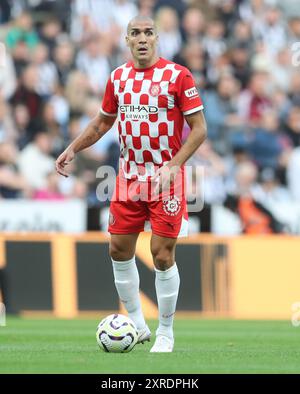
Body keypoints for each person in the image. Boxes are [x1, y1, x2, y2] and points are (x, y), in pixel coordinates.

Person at [56, 15, 207, 352]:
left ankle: (165, 331)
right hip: (127, 178)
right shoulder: (118, 78)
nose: (142, 38)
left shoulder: (178, 76)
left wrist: (175, 165)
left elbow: (199, 129)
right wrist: (72, 148)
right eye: (135, 33)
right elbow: (102, 123)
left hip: (166, 177)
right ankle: (138, 325)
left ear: (157, 38)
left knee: (162, 255)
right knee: (118, 250)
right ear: (126, 40)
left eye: (148, 33)